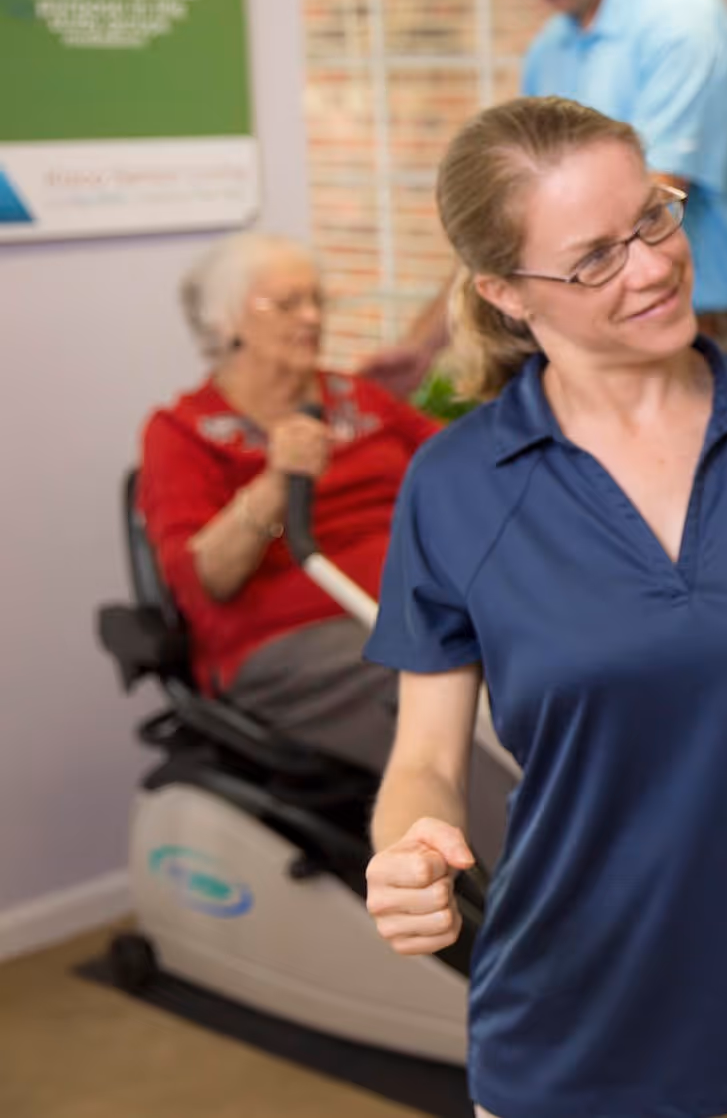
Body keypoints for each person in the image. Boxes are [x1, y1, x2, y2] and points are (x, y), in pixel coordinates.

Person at [360, 96, 727, 1118]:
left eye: (654, 218)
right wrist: (409, 849)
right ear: (505, 291)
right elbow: (427, 756)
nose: (651, 265)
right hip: (568, 1016)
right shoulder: (458, 483)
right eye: (593, 258)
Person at [138, 233, 511, 863]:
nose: (312, 317)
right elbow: (207, 581)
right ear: (226, 322)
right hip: (291, 646)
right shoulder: (182, 433)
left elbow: (467, 471)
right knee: (442, 691)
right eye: (285, 305)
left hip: (417, 604)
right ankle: (549, 899)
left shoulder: (356, 398)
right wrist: (274, 485)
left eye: (315, 300)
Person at [359, 0, 727, 396]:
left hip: (689, 335)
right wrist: (425, 342)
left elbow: (639, 211)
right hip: (583, 351)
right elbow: (512, 220)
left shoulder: (683, 25)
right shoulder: (549, 49)